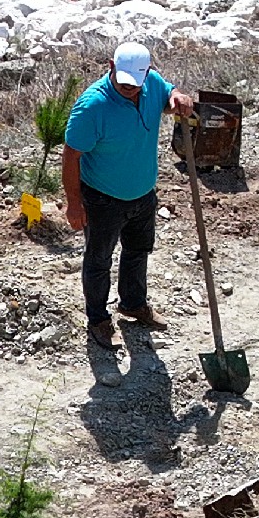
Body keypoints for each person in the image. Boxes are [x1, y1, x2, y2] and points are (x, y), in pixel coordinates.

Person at [62, 41, 198, 349]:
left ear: (146, 72)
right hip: (102, 198)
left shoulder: (149, 82)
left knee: (138, 250)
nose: (129, 88)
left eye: (134, 83)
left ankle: (133, 303)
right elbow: (71, 156)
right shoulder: (93, 106)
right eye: (123, 82)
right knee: (98, 260)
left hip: (142, 193)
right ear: (110, 66)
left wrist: (177, 96)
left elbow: (167, 95)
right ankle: (97, 319)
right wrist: (73, 202)